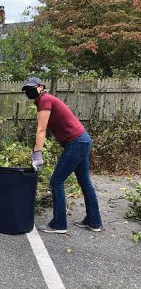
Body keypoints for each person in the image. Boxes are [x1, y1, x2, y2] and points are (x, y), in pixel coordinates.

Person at [22, 77, 103, 234]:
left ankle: (59, 224)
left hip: (76, 142)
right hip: (82, 140)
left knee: (56, 181)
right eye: (26, 89)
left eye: (32, 88)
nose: (29, 91)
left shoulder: (45, 100)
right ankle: (94, 221)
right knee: (85, 182)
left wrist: (37, 154)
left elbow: (41, 130)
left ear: (40, 87)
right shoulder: (43, 101)